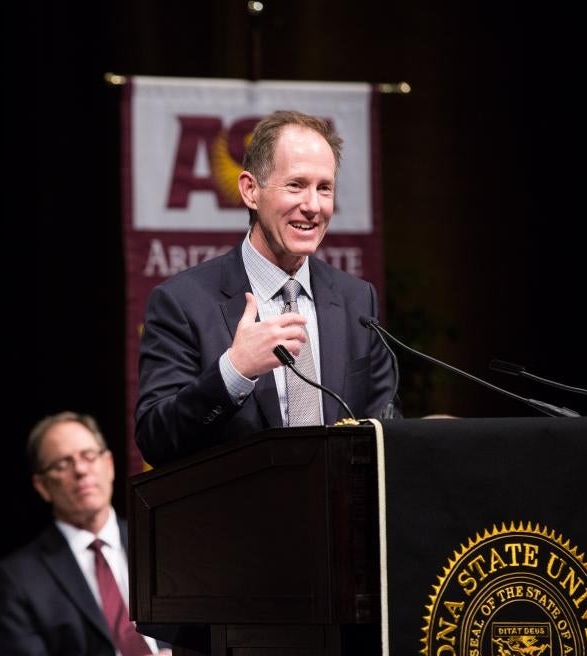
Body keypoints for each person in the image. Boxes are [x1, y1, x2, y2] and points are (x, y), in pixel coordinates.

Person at [135, 109, 397, 467]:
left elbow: (384, 430)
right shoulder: (182, 302)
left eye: (324, 188)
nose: (312, 206)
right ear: (250, 190)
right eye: (296, 185)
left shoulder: (356, 300)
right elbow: (156, 438)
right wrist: (234, 370)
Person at [0, 411, 177, 656]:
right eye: (63, 463)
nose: (80, 470)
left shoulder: (162, 542)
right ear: (42, 486)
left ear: (109, 465)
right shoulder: (19, 576)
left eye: (89, 456)